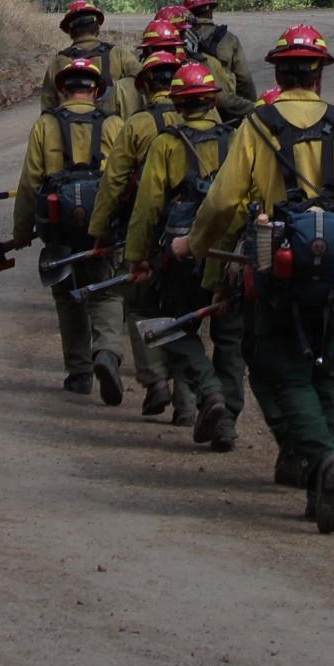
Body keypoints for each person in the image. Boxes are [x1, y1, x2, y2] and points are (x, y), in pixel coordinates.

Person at [171, 23, 334, 534]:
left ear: (279, 73)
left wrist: (193, 246)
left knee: (281, 367)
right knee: (328, 369)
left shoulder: (257, 125)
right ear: (318, 77)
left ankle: (323, 460)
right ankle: (317, 487)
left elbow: (222, 201)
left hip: (275, 268)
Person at [126, 63, 242, 453]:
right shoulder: (236, 139)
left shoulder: (166, 144)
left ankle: (207, 391)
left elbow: (146, 209)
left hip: (180, 256)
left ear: (176, 102)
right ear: (212, 101)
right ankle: (225, 424)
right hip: (228, 255)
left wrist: (137, 256)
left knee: (175, 328)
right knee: (229, 339)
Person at [88, 46, 195, 424]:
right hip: (191, 235)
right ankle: (186, 403)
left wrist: (100, 232)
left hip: (147, 231)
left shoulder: (136, 124)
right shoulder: (204, 119)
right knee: (184, 312)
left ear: (146, 86)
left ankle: (156, 382)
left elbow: (112, 182)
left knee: (140, 304)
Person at [13, 56, 127, 405]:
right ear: (96, 90)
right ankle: (106, 352)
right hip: (102, 225)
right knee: (106, 293)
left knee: (66, 293)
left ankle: (79, 374)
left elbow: (31, 182)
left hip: (59, 227)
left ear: (62, 89)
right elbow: (126, 178)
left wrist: (21, 231)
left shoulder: (45, 124)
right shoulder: (113, 125)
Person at [40, 0, 139, 112]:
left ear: (70, 32)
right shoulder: (118, 54)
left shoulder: (57, 64)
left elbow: (47, 110)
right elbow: (141, 80)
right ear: (98, 28)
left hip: (69, 128)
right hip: (114, 127)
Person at [183, 0, 256, 107]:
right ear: (210, 11)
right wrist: (248, 108)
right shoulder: (229, 38)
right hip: (226, 106)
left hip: (189, 106)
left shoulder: (180, 39)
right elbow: (244, 79)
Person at [110, 18, 186, 122]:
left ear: (145, 52)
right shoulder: (189, 84)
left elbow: (108, 128)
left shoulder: (122, 88)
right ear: (175, 51)